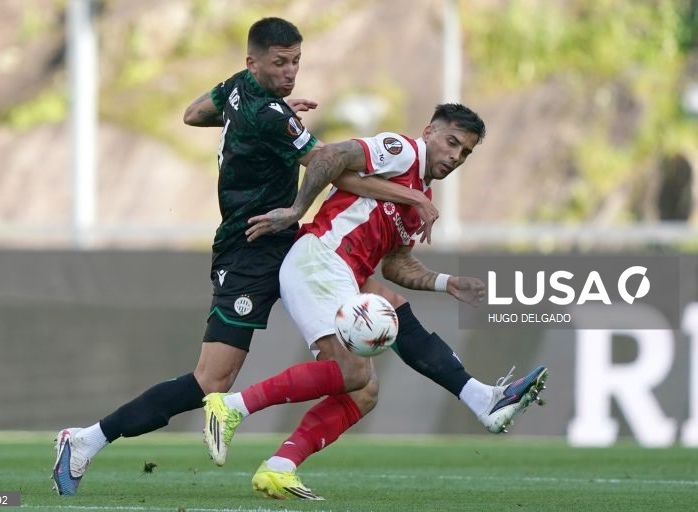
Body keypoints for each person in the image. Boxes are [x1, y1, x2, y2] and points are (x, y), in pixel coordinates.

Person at [51, 16, 438, 496]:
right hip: (251, 249)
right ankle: (87, 439)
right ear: (252, 61)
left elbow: (193, 114)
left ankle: (286, 461)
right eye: (279, 63)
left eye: (296, 61)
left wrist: (257, 113)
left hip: (293, 245)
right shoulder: (272, 116)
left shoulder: (240, 92)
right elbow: (330, 167)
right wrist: (412, 197)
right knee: (210, 381)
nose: (290, 72)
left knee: (362, 372)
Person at [202, 104, 548, 500]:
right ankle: (231, 406)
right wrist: (298, 209)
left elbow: (398, 265)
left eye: (465, 152)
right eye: (451, 142)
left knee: (365, 389)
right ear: (429, 132)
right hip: (320, 258)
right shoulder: (401, 151)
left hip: (344, 274)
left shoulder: (422, 199)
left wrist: (446, 282)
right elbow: (330, 156)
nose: (455, 157)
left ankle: (280, 467)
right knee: (353, 373)